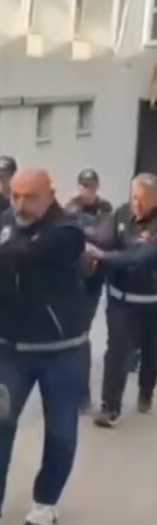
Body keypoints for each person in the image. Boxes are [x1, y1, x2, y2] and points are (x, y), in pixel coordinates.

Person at [0, 169, 87, 525]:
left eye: (30, 197)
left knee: (61, 434)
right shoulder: (5, 223)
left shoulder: (67, 232)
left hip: (63, 351)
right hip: (10, 348)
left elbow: (18, 255)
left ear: (51, 195)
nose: (21, 205)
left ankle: (46, 500)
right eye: (15, 196)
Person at [87, 173, 157, 426]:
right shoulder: (122, 213)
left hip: (152, 302)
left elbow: (141, 256)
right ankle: (110, 408)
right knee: (117, 353)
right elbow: (102, 237)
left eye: (143, 198)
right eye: (134, 197)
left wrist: (103, 256)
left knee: (151, 352)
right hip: (121, 301)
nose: (137, 203)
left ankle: (145, 392)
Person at [65, 168, 114, 412]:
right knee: (77, 336)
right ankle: (78, 393)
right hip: (75, 279)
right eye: (84, 186)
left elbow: (106, 236)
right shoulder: (70, 208)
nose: (88, 190)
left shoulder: (105, 208)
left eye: (91, 186)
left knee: (82, 335)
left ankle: (81, 395)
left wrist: (87, 234)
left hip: (95, 279)